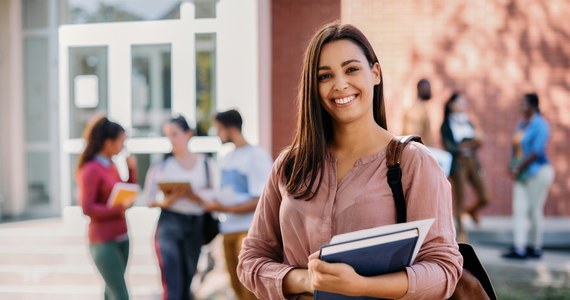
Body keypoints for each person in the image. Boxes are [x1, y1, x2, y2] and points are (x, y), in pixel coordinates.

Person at [237, 22, 462, 299]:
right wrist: (307, 280)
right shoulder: (289, 166)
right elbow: (250, 260)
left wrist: (361, 286)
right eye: (325, 76)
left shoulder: (413, 163)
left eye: (352, 69)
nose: (340, 84)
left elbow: (444, 269)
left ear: (375, 73)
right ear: (313, 87)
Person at [202, 109, 272, 300]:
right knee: (236, 288)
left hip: (248, 231)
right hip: (228, 230)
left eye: (218, 129)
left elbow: (261, 200)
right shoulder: (227, 157)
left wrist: (224, 208)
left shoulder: (257, 156)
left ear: (230, 129)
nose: (217, 134)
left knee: (251, 290)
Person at [142, 116, 213, 299]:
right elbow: (148, 199)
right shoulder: (162, 165)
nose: (171, 140)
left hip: (195, 226)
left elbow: (214, 200)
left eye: (175, 134)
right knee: (173, 284)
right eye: (168, 136)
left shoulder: (206, 164)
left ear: (188, 134)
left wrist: (196, 196)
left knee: (187, 281)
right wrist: (165, 202)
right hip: (169, 223)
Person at [77, 115, 137, 300]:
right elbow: (87, 208)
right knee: (120, 294)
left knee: (111, 292)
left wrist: (132, 170)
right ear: (108, 142)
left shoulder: (111, 165)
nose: (123, 148)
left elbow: (125, 192)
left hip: (121, 236)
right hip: (103, 241)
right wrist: (119, 209)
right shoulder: (91, 169)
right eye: (121, 142)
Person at [502, 93, 554, 260]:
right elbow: (516, 148)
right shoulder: (522, 124)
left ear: (533, 105)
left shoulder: (541, 125)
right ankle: (519, 247)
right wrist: (511, 166)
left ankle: (536, 247)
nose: (521, 107)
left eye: (524, 104)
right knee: (519, 209)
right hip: (522, 175)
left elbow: (536, 152)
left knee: (534, 210)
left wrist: (518, 168)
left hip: (538, 172)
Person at [440, 92, 490, 240]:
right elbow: (451, 147)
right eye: (459, 103)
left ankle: (473, 210)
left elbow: (478, 141)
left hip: (472, 162)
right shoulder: (446, 124)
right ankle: (461, 233)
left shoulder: (467, 121)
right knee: (459, 199)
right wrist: (471, 143)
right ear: (451, 104)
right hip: (458, 164)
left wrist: (473, 143)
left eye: (464, 103)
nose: (462, 106)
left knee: (485, 196)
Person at [402, 79, 435, 147]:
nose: (430, 91)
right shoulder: (415, 111)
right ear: (422, 89)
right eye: (428, 88)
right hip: (419, 150)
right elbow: (413, 139)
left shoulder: (422, 109)